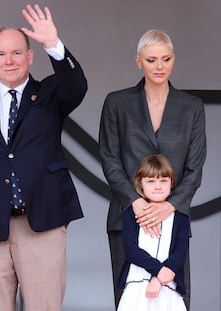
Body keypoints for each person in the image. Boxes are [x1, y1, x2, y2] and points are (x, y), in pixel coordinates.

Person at [0, 4, 87, 311]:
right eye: (1, 54)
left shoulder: (50, 93)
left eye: (16, 53)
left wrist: (54, 43)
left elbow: (77, 87)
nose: (8, 60)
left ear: (30, 56)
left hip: (42, 223)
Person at [99, 29, 206, 310]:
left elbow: (195, 168)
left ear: (173, 59)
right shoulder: (117, 103)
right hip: (126, 216)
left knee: (173, 299)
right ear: (138, 61)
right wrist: (136, 203)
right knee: (129, 301)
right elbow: (109, 158)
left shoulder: (191, 107)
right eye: (151, 60)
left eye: (166, 58)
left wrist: (168, 207)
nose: (159, 66)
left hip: (174, 221)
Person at [117, 154, 188, 311]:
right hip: (137, 285)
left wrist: (160, 278)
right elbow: (131, 250)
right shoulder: (131, 213)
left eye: (163, 181)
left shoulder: (180, 217)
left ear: (171, 184)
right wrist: (158, 270)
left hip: (168, 284)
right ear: (140, 184)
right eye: (151, 181)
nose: (158, 186)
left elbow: (180, 252)